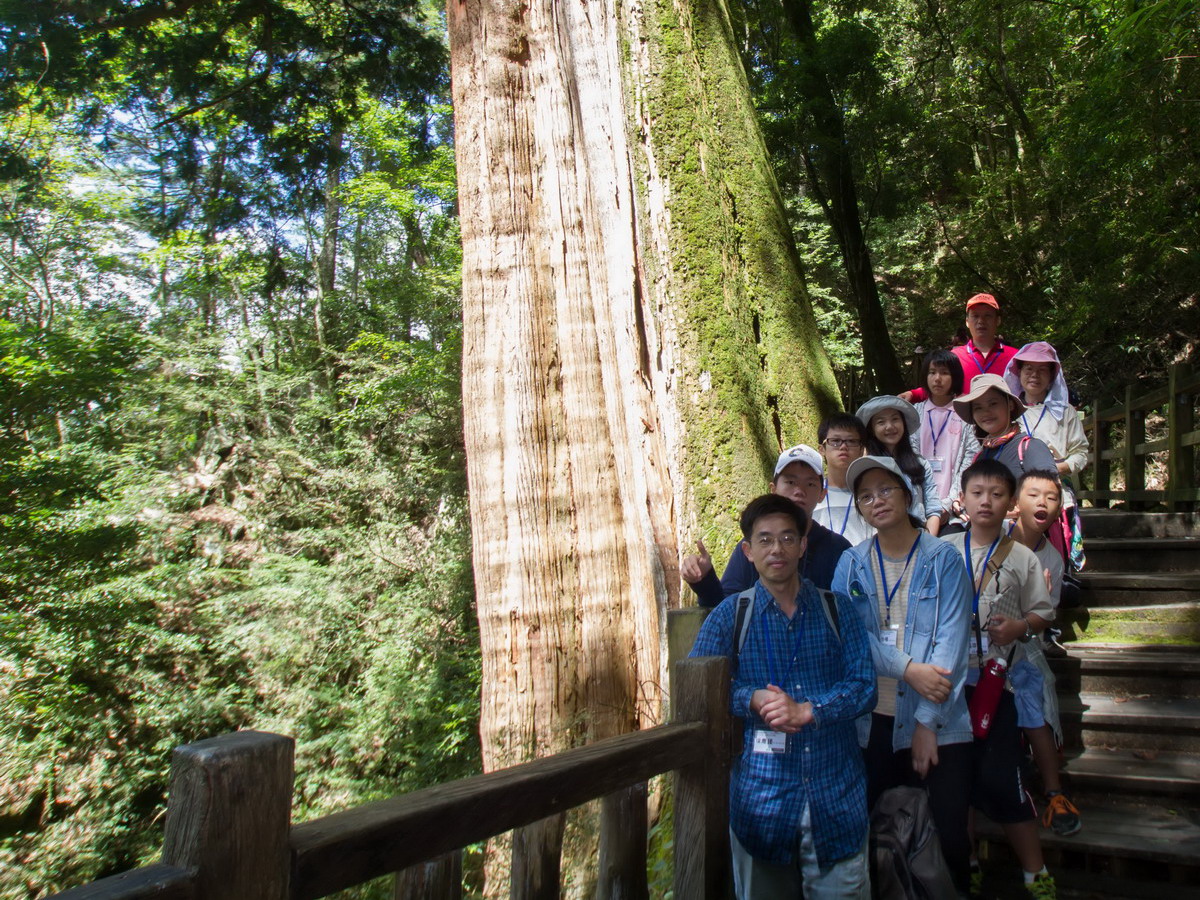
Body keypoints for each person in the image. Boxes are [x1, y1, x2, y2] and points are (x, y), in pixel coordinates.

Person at [690, 494, 876, 898]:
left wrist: (812, 710)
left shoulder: (837, 610)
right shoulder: (729, 615)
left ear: (803, 545)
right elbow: (696, 689)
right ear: (748, 551)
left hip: (835, 798)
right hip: (762, 802)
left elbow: (865, 686)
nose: (778, 549)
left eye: (788, 538)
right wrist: (749, 698)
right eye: (765, 539)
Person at [831, 456, 973, 893]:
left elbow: (952, 643)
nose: (877, 501)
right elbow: (850, 638)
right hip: (870, 723)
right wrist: (908, 669)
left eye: (886, 490)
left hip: (940, 722)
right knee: (878, 830)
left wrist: (927, 724)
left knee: (947, 832)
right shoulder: (850, 564)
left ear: (908, 495)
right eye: (866, 496)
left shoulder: (944, 559)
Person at [941, 460, 1059, 898]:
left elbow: (1044, 611)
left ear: (1010, 503)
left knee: (1003, 778)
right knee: (958, 779)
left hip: (998, 683)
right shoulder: (943, 549)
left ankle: (1036, 873)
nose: (985, 501)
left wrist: (1019, 627)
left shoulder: (1023, 557)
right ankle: (966, 862)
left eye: (995, 493)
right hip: (950, 685)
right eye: (977, 492)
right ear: (963, 500)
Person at [682, 445, 852, 603]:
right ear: (773, 489)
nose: (799, 491)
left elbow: (850, 609)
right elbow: (727, 606)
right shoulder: (754, 547)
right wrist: (704, 580)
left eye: (810, 483)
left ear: (822, 494)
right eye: (790, 482)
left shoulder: (837, 549)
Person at [1010, 469, 1082, 836]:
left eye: (1052, 498)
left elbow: (1043, 617)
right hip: (978, 646)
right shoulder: (994, 538)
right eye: (1034, 495)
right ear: (1015, 503)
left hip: (1023, 646)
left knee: (1036, 695)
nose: (1043, 502)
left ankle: (1053, 790)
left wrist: (1032, 609)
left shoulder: (1052, 558)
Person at [1004, 341, 1089, 570]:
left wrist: (1054, 468)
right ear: (1018, 372)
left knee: (1052, 554)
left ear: (1052, 375)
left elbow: (1080, 453)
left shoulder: (1065, 412)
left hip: (1055, 490)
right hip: (1014, 493)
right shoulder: (1007, 411)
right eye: (1028, 369)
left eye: (1042, 370)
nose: (1034, 375)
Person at [901, 293, 1019, 404]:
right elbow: (939, 384)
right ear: (967, 321)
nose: (981, 321)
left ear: (997, 320)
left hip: (1005, 421)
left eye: (987, 316)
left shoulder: (1015, 357)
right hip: (961, 422)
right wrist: (913, 394)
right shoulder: (955, 356)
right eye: (975, 316)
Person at [911, 349, 980, 533]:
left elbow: (969, 460)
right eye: (932, 372)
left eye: (944, 373)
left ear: (955, 377)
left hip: (954, 510)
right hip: (918, 507)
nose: (937, 379)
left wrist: (948, 504)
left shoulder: (966, 415)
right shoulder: (914, 414)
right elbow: (911, 458)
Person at [952, 374, 1057, 488]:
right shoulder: (981, 456)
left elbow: (1049, 495)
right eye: (978, 408)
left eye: (993, 404)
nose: (986, 412)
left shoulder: (1031, 448)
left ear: (1010, 405)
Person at [856, 396, 943, 534]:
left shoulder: (920, 464)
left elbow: (933, 509)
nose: (889, 426)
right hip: (882, 542)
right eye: (881, 422)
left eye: (895, 419)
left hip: (920, 539)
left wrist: (929, 544)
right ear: (872, 429)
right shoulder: (866, 467)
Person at [811, 413, 874, 545]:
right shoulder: (811, 493)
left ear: (861, 449)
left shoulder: (872, 495)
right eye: (835, 441)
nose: (843, 447)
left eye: (851, 441)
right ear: (822, 449)